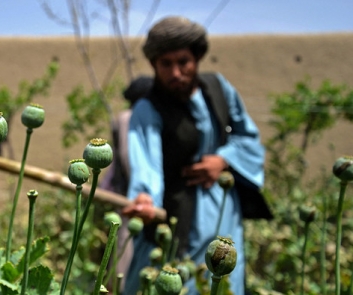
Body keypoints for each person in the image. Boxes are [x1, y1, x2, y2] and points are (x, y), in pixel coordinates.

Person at [121, 16, 270, 295]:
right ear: (154, 65)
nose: (175, 72)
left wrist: (223, 159)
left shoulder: (219, 89)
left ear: (197, 58)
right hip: (175, 215)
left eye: (183, 62)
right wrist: (145, 199)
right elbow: (146, 166)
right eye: (166, 63)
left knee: (223, 283)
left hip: (224, 209)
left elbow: (247, 137)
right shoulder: (147, 109)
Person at [99, 76, 153, 292]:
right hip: (129, 198)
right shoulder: (129, 118)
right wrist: (142, 190)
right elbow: (128, 157)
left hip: (135, 197)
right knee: (124, 253)